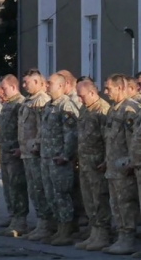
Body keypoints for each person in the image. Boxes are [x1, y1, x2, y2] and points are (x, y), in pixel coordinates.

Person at [39, 73, 79, 245]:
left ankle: (66, 230)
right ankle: (57, 227)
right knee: (50, 194)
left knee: (62, 194)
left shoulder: (66, 106)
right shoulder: (49, 106)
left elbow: (71, 134)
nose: (47, 86)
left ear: (62, 86)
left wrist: (65, 155)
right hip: (47, 157)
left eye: (50, 83)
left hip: (59, 159)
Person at [102, 74, 138, 255]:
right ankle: (121, 236)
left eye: (109, 88)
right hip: (113, 166)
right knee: (116, 203)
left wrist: (131, 162)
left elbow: (133, 139)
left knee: (126, 204)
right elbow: (110, 138)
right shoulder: (113, 109)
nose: (105, 92)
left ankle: (128, 238)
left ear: (121, 88)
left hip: (124, 167)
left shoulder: (130, 109)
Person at [74, 79, 111, 251]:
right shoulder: (85, 109)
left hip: (97, 163)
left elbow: (108, 139)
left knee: (99, 199)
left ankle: (103, 234)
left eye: (82, 96)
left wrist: (106, 160)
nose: (80, 100)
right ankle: (94, 231)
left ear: (91, 93)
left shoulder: (102, 109)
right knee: (88, 198)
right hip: (85, 161)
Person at [18, 69, 54, 241]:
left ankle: (46, 224)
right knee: (33, 189)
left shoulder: (41, 100)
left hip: (35, 153)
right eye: (24, 82)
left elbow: (42, 127)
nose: (24, 85)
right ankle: (41, 222)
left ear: (39, 83)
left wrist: (37, 145)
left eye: (27, 82)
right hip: (26, 152)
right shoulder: (28, 100)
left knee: (40, 189)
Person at [0, 75, 29, 237]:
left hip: (15, 152)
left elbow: (23, 128)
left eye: (4, 88)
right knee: (9, 187)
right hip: (5, 151)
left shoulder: (19, 103)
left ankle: (20, 220)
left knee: (17, 187)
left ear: (13, 87)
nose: (1, 91)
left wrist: (19, 148)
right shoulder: (8, 104)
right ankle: (13, 216)